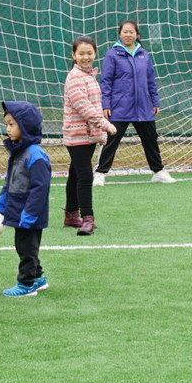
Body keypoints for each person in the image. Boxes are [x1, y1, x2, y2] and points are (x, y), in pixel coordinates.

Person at [95, 18, 175, 185]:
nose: (128, 34)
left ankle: (158, 171)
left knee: (151, 140)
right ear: (120, 34)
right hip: (119, 106)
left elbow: (150, 80)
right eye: (125, 31)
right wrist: (106, 104)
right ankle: (100, 173)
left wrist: (155, 101)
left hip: (144, 107)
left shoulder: (144, 54)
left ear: (137, 34)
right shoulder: (112, 54)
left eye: (131, 32)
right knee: (111, 140)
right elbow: (106, 81)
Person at [0, 100, 52, 297]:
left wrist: (29, 214)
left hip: (29, 214)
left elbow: (39, 189)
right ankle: (38, 277)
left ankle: (26, 284)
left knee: (26, 249)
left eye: (12, 124)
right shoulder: (18, 152)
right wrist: (1, 204)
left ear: (25, 126)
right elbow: (10, 182)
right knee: (25, 247)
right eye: (7, 124)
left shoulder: (35, 155)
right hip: (18, 210)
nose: (7, 129)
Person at [62, 35, 117, 236]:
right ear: (74, 55)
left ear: (95, 53)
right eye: (81, 53)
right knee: (85, 175)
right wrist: (104, 124)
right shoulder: (75, 77)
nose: (86, 57)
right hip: (77, 135)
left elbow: (93, 104)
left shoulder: (89, 76)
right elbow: (83, 106)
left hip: (88, 135)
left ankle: (70, 215)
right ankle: (87, 218)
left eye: (89, 53)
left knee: (75, 173)